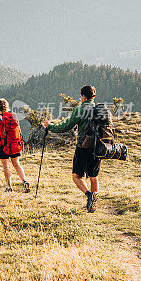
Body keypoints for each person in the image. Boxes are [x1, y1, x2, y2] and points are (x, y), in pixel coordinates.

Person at [42, 84, 99, 212]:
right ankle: (92, 205)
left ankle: (89, 195)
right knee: (93, 177)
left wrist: (50, 126)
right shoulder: (100, 109)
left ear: (83, 96)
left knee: (76, 176)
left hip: (83, 147)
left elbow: (65, 126)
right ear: (94, 96)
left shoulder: (80, 110)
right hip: (97, 147)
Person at [0, 98, 30, 193]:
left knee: (6, 166)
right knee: (16, 164)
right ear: (7, 106)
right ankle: (24, 181)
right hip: (14, 144)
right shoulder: (14, 116)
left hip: (2, 145)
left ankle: (9, 187)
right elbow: (19, 131)